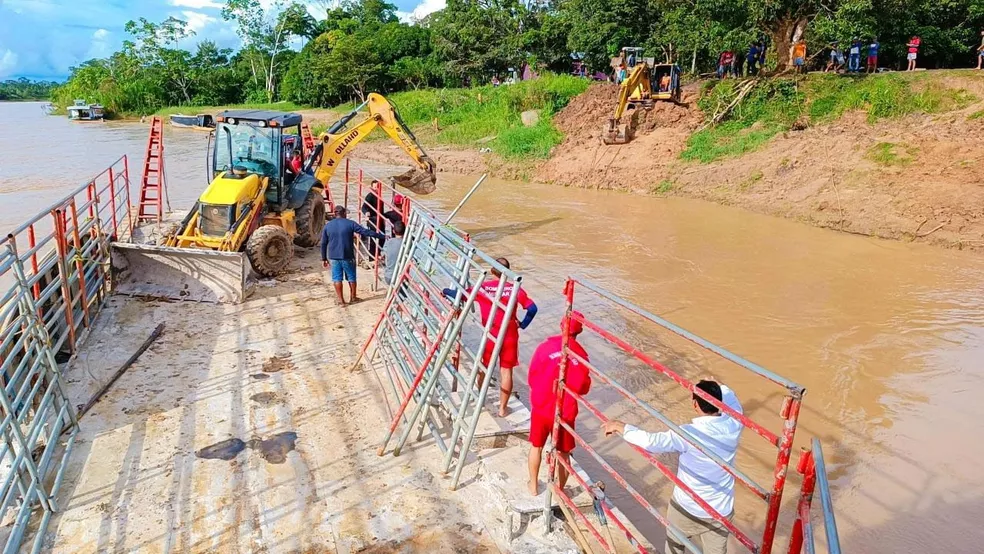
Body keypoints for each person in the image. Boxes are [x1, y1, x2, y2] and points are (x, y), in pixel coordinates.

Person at [601, 379, 743, 554]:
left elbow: (651, 442)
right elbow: (731, 395)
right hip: (721, 510)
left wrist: (620, 426)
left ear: (695, 405)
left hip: (688, 507)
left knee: (675, 547)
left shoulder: (688, 433)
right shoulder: (735, 423)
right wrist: (717, 388)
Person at [443, 258, 537, 417]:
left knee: (484, 367)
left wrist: (445, 291)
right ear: (508, 273)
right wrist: (523, 324)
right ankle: (502, 409)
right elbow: (533, 308)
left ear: (492, 271)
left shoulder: (483, 287)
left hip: (491, 333)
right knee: (506, 371)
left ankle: (481, 397)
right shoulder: (515, 289)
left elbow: (461, 295)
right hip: (510, 334)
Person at [527, 313, 591, 496]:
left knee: (536, 446)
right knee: (563, 454)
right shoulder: (582, 355)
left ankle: (533, 486)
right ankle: (559, 490)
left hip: (541, 407)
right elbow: (583, 387)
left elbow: (532, 377)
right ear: (580, 331)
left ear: (561, 326)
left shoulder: (544, 348)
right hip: (565, 412)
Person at [320, 205, 384, 306]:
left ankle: (341, 301)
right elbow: (365, 232)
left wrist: (323, 258)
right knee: (351, 277)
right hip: (348, 255)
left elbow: (323, 243)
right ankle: (353, 297)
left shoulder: (328, 226)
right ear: (344, 213)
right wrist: (381, 236)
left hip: (334, 256)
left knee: (337, 278)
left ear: (335, 213)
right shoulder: (350, 223)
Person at [361, 188, 386, 260]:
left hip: (380, 220)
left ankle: (378, 254)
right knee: (373, 239)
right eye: (375, 187)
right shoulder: (370, 196)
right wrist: (366, 213)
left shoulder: (379, 195)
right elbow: (364, 207)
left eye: (378, 187)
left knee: (382, 238)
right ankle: (372, 258)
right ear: (372, 188)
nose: (377, 189)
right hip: (373, 220)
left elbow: (381, 210)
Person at [382, 220, 405, 286]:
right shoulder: (406, 244)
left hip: (388, 276)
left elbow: (382, 254)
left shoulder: (388, 242)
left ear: (393, 231)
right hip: (400, 277)